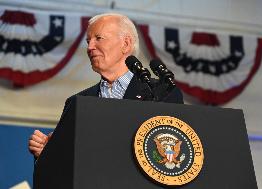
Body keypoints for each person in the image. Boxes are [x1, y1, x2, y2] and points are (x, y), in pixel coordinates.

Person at [28, 13, 183, 159]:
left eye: (98, 38)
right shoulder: (77, 102)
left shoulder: (162, 92)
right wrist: (48, 153)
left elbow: (173, 153)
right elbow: (70, 161)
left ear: (126, 44)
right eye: (88, 41)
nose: (90, 47)